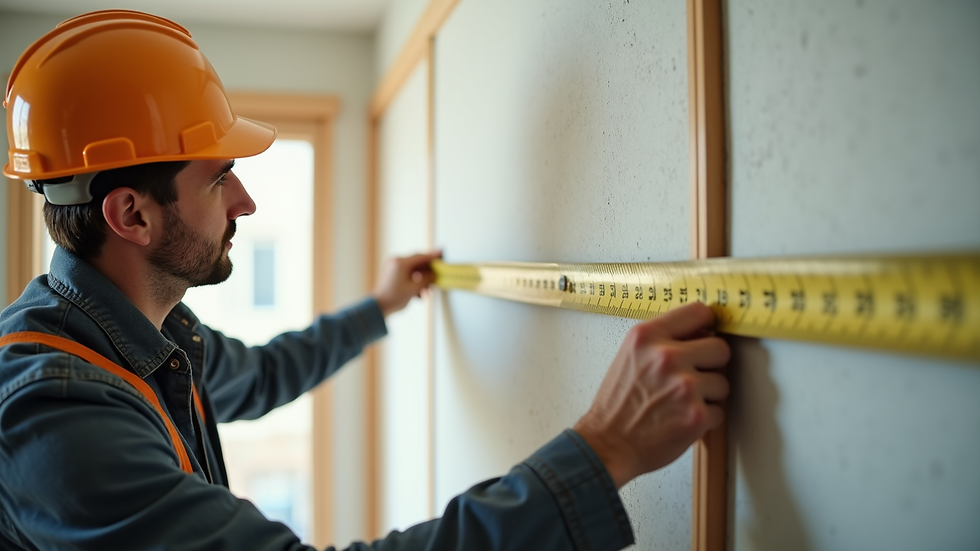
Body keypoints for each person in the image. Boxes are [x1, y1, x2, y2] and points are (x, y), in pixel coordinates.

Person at [0, 10, 730, 551]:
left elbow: (263, 374)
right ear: (132, 214)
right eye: (220, 178)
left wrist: (382, 303)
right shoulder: (58, 415)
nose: (245, 200)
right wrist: (602, 450)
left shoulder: (143, 334)